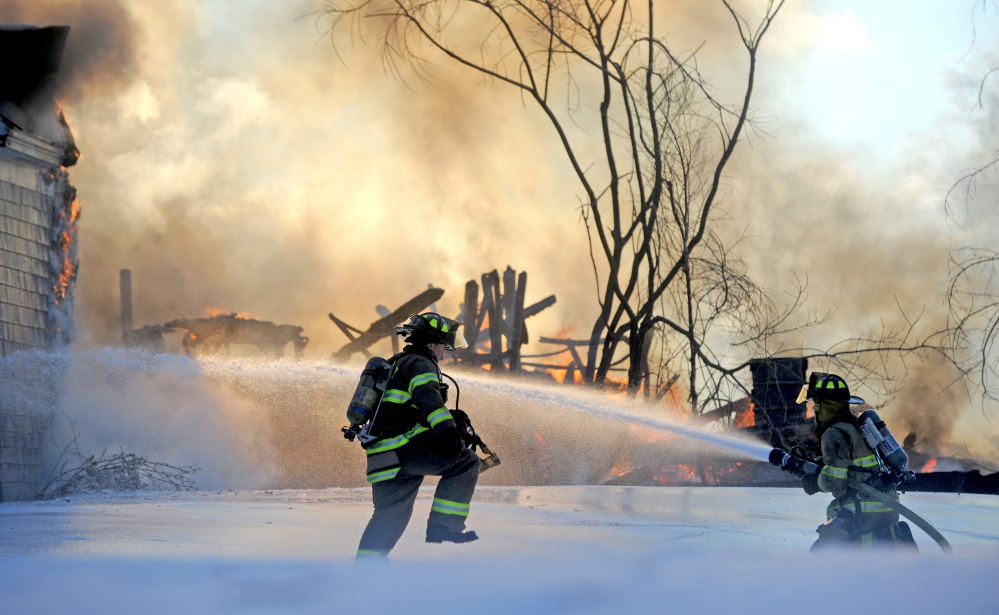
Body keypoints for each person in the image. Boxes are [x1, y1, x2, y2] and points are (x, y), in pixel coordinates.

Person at [355, 312, 480, 559]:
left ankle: (367, 568)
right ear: (431, 344)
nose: (443, 355)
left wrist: (452, 421)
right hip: (403, 450)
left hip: (382, 457)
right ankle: (445, 526)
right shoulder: (420, 363)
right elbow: (429, 400)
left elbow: (404, 413)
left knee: (390, 516)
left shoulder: (397, 364)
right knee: (466, 462)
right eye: (443, 347)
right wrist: (448, 432)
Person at [797, 373, 915, 551]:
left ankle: (889, 543)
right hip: (887, 505)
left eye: (815, 405)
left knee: (829, 552)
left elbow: (834, 479)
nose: (814, 410)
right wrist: (816, 465)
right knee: (865, 558)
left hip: (863, 510)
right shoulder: (858, 427)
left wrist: (814, 483)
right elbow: (855, 466)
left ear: (821, 406)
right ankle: (891, 539)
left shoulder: (833, 433)